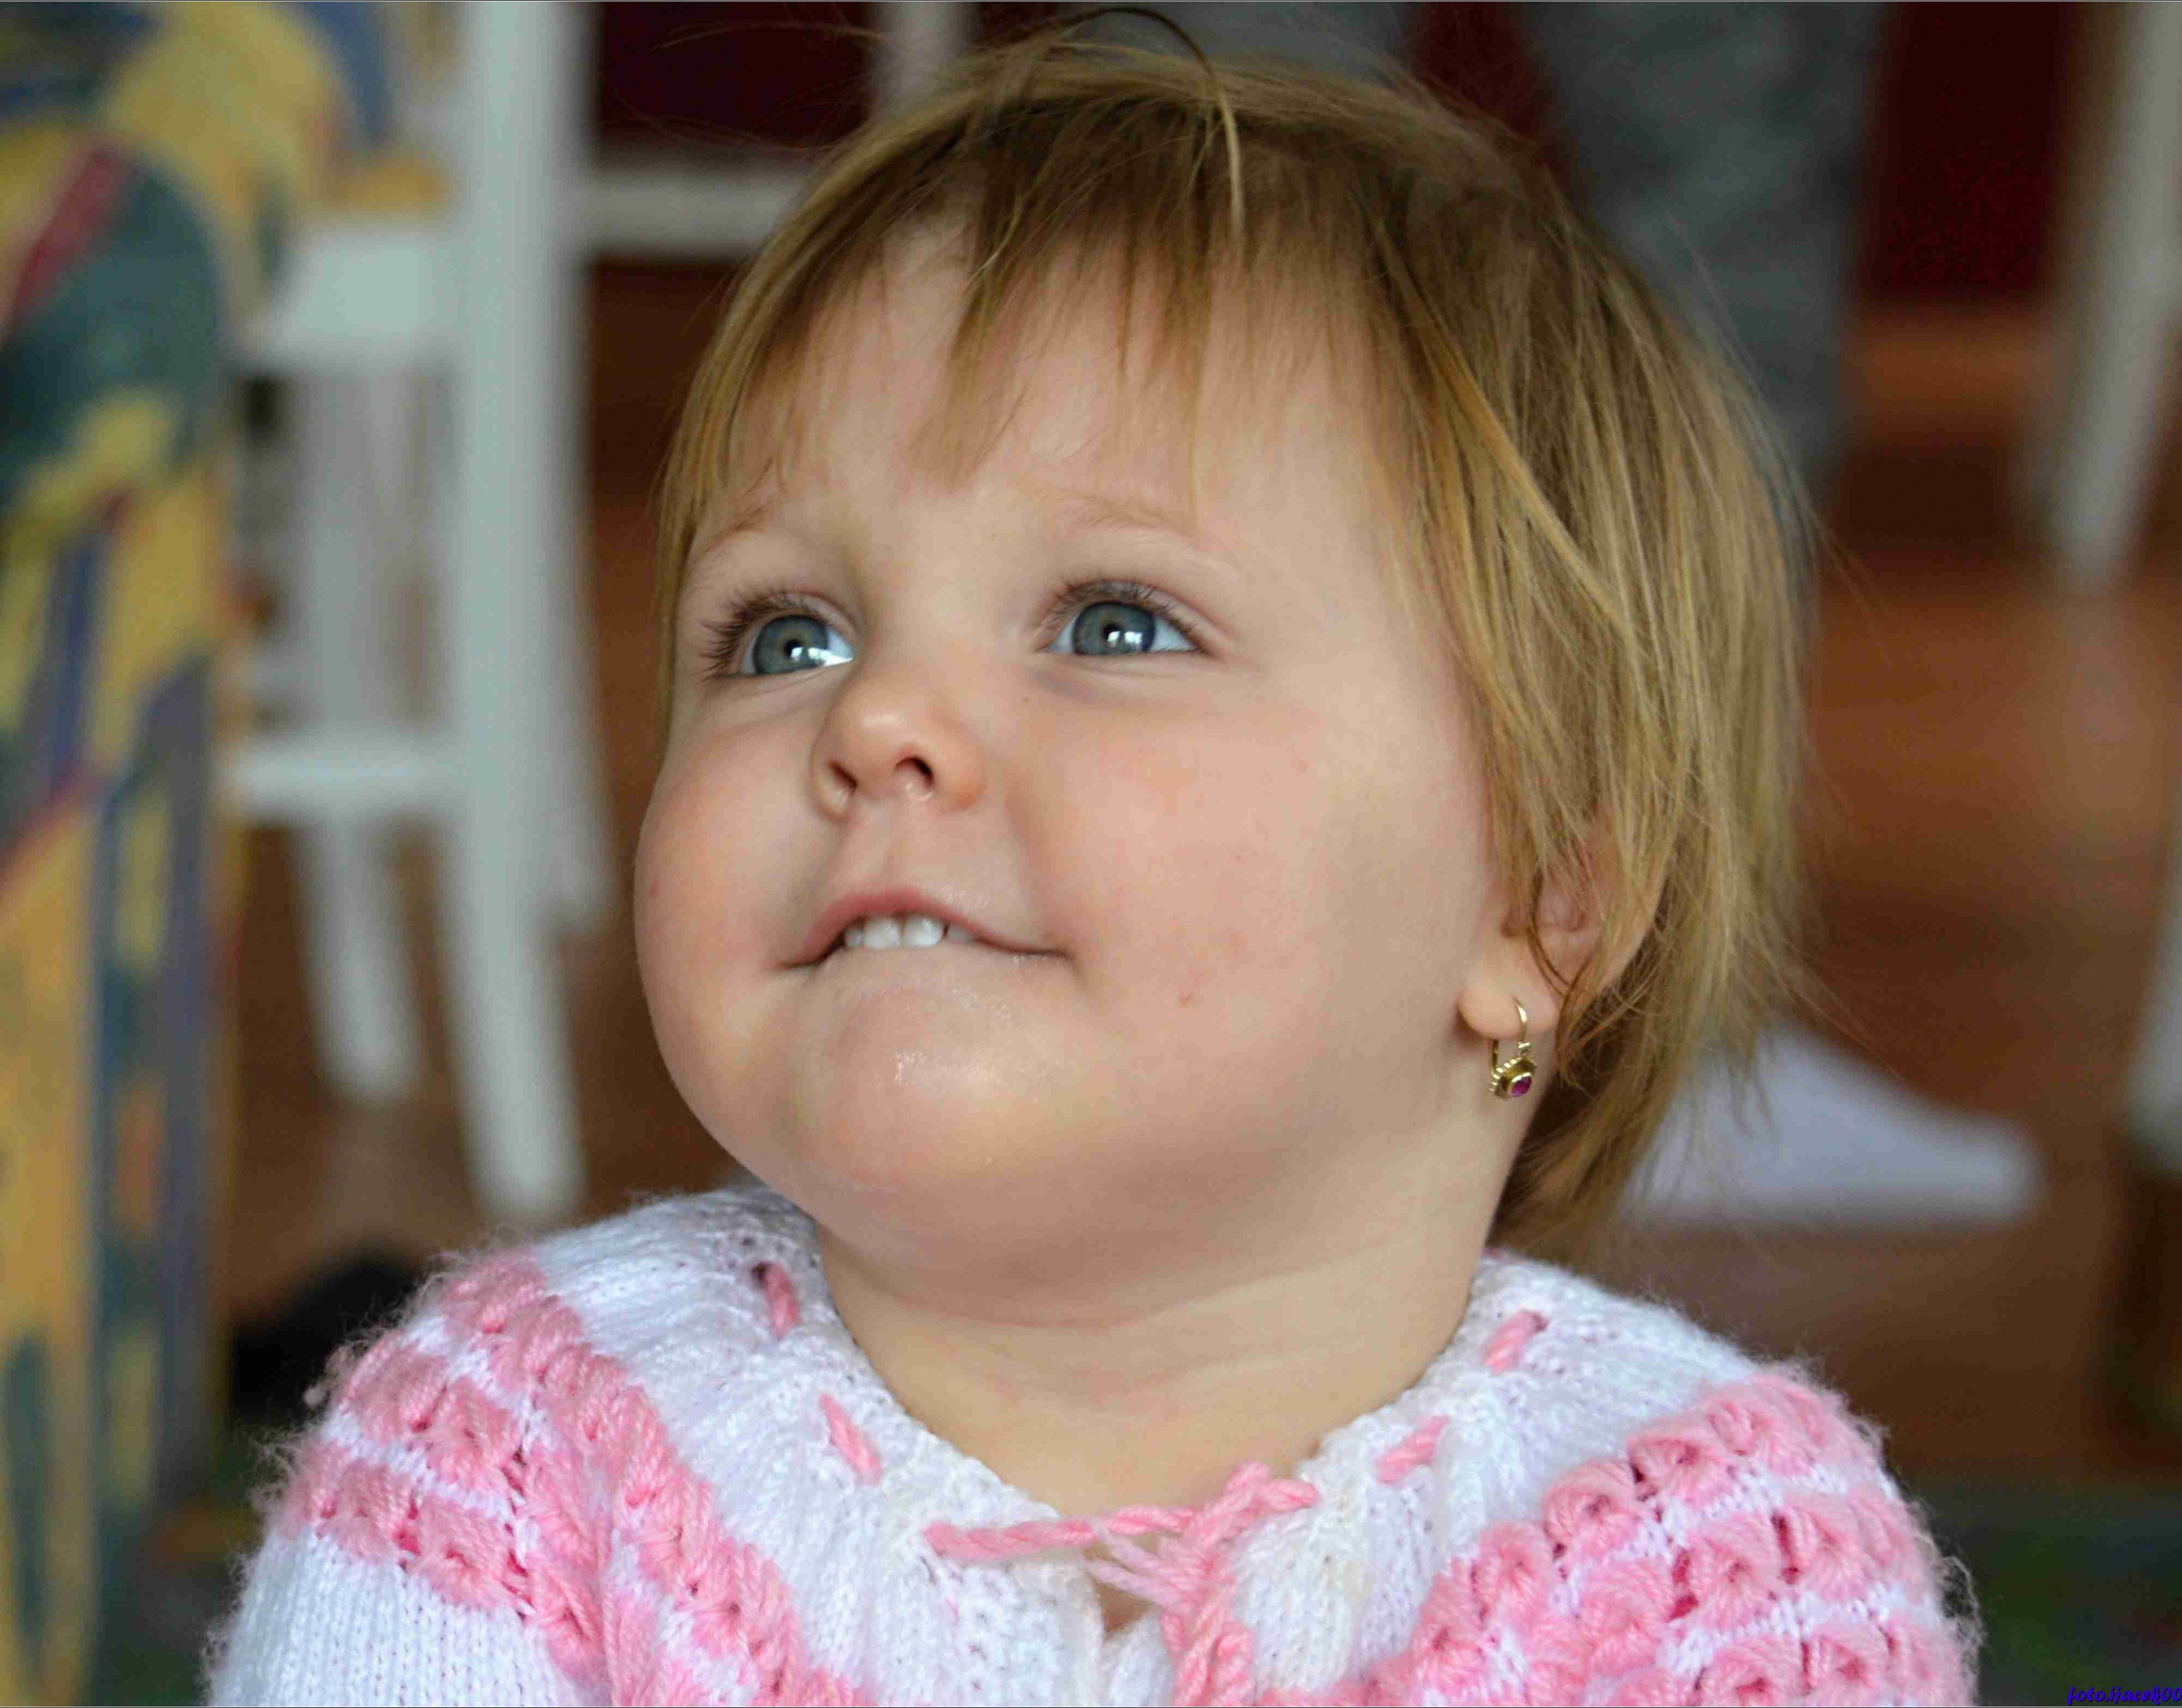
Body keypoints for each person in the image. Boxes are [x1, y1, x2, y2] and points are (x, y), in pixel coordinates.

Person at [208, 28, 1978, 1705]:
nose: (878, 716)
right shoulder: (510, 1455)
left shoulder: (1726, 1574)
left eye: (1116, 622)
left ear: (1544, 902)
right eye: (784, 635)